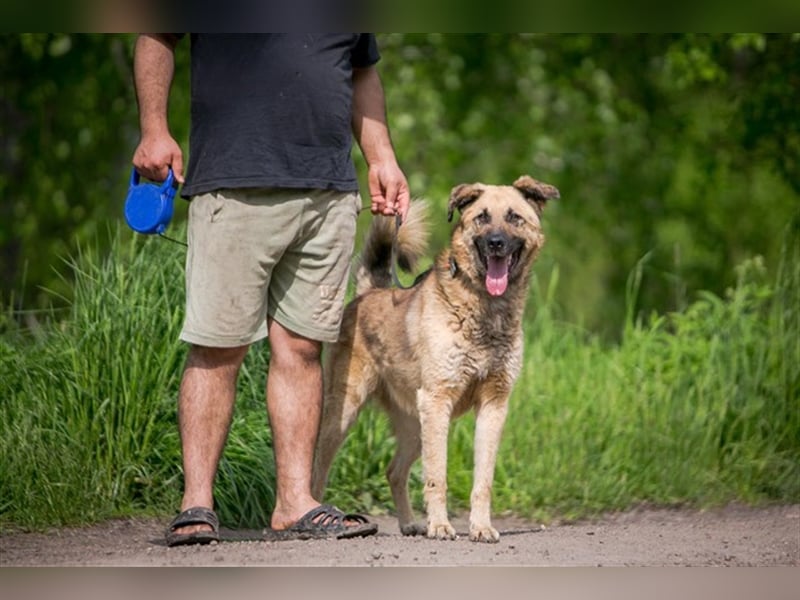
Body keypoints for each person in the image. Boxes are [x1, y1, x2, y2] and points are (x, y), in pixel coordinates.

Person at [132, 33, 410, 546]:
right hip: (234, 183)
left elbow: (362, 69)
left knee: (303, 349)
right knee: (218, 347)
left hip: (328, 192)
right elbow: (156, 35)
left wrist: (381, 157)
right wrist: (154, 129)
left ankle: (295, 502)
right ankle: (196, 503)